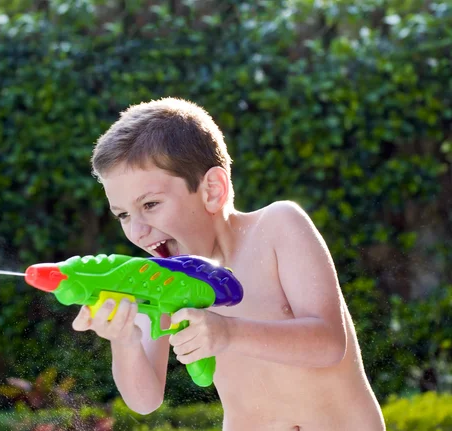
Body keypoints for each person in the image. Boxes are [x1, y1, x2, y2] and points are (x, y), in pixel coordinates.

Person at [71, 97, 386, 431]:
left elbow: (329, 344)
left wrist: (229, 332)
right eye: (123, 215)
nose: (136, 230)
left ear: (212, 189)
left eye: (150, 204)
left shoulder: (277, 227)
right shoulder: (162, 278)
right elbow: (145, 400)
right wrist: (125, 340)